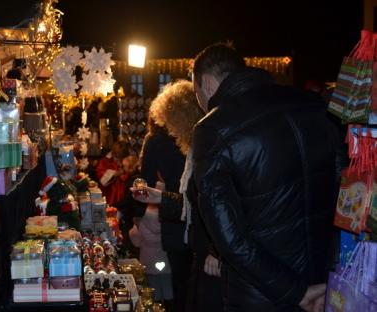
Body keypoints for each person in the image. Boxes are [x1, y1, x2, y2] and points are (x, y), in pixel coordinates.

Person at [189, 42, 340, 311]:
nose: (198, 100)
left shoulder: (213, 128)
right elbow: (342, 193)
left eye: (196, 91)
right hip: (321, 283)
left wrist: (295, 292)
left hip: (261, 294)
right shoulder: (312, 105)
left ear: (207, 83)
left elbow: (229, 236)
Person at [133, 80, 223, 311]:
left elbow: (207, 199)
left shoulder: (195, 143)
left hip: (185, 228)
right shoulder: (203, 138)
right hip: (191, 226)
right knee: (185, 286)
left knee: (180, 287)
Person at [129, 199, 173, 305]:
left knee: (153, 285)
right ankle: (169, 303)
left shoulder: (140, 223)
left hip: (147, 260)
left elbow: (137, 243)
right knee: (167, 283)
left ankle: (155, 303)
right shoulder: (165, 223)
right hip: (164, 259)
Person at [114, 155, 146, 257]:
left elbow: (128, 199)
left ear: (130, 166)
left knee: (132, 241)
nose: (123, 169)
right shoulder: (138, 178)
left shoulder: (134, 180)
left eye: (124, 166)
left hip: (133, 215)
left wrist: (114, 205)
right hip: (137, 213)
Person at [95, 141, 130, 206]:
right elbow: (102, 179)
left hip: (124, 197)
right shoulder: (105, 161)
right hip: (109, 195)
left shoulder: (127, 161)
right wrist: (115, 173)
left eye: (121, 158)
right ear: (113, 154)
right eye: (117, 158)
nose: (118, 160)